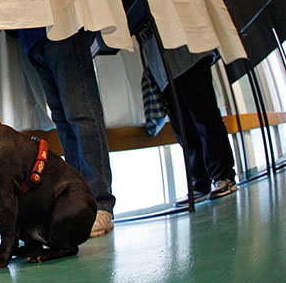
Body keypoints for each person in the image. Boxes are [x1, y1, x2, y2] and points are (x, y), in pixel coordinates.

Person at [18, 27, 116, 237]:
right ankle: (82, 203)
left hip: (60, 28)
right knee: (63, 121)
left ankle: (100, 203)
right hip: (34, 39)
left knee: (82, 113)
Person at [139, 25, 237, 207]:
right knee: (183, 129)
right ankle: (200, 183)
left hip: (186, 53)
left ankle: (223, 175)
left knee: (204, 116)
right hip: (162, 68)